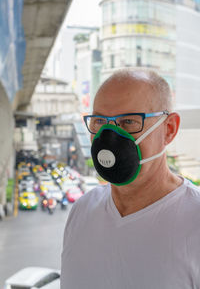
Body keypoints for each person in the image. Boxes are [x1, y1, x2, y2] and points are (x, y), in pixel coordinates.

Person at [61, 69, 200, 289]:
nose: (109, 136)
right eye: (99, 121)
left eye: (128, 122)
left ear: (169, 129)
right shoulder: (82, 210)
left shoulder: (195, 221)